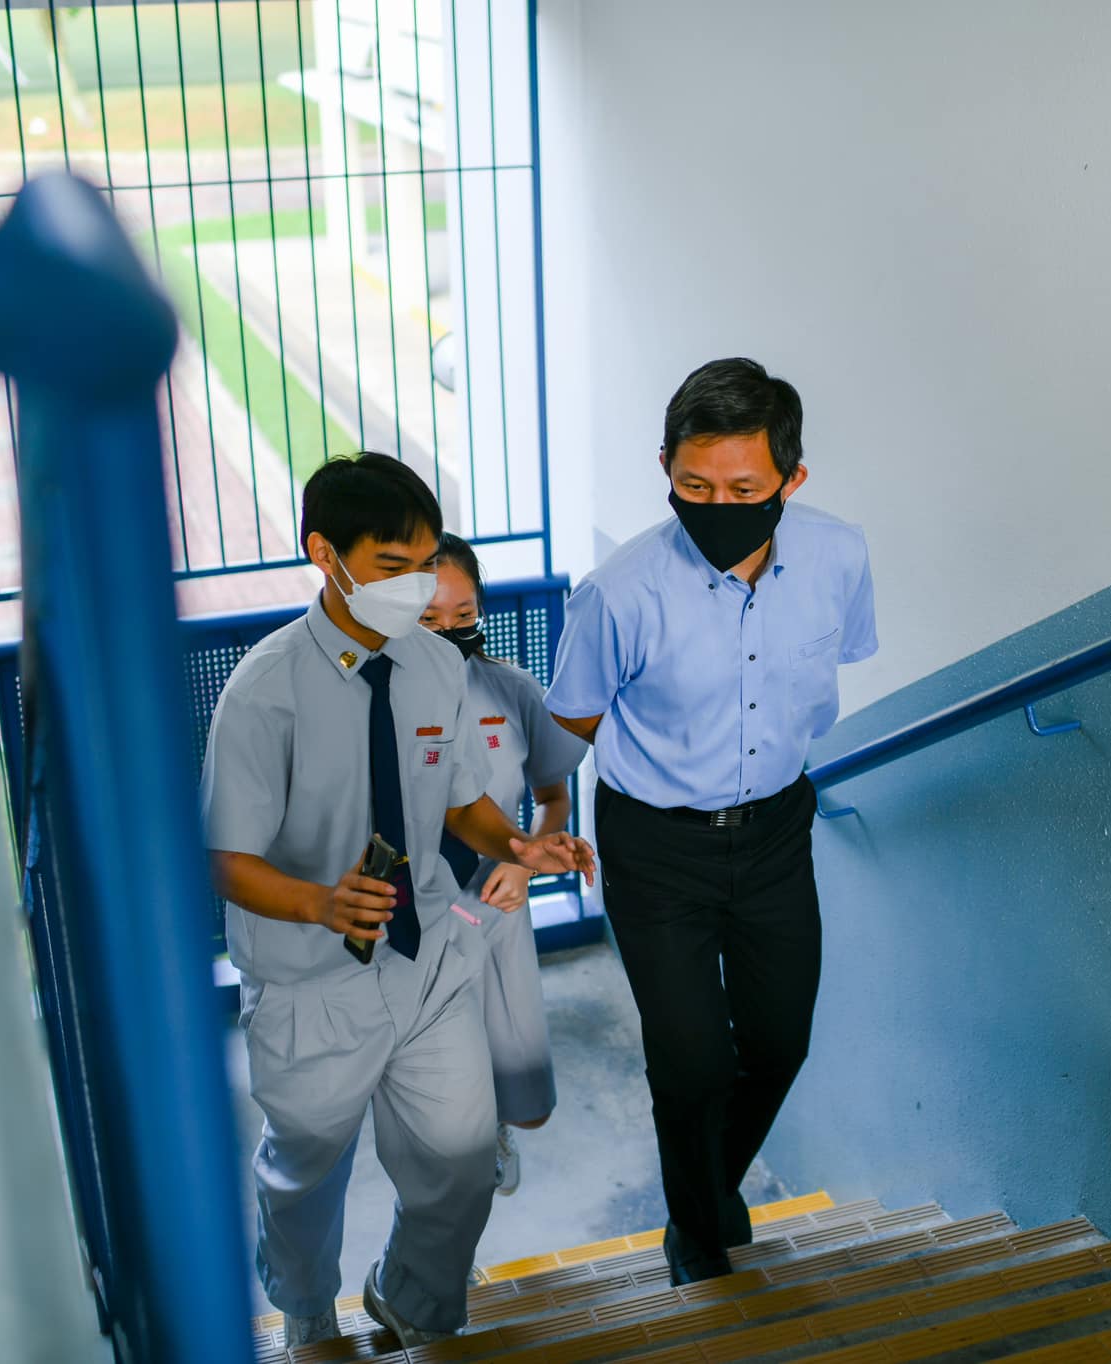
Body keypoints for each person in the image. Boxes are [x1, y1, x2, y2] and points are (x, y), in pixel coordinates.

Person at [201, 454, 595, 1350]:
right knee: (305, 1173)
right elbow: (227, 859)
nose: (414, 589)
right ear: (325, 555)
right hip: (313, 983)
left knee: (462, 1161)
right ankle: (306, 1318)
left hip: (426, 965)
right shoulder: (263, 695)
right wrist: (318, 904)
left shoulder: (433, 668)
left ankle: (408, 1298)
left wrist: (518, 843)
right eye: (391, 568)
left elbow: (458, 798)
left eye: (424, 564)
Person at [544, 357, 877, 1285]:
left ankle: (707, 1181)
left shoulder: (840, 556)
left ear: (791, 480)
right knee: (690, 1065)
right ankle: (697, 1231)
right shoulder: (618, 592)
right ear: (664, 467)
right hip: (656, 848)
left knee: (778, 1042)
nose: (715, 504)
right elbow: (567, 726)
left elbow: (833, 667)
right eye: (693, 485)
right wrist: (541, 822)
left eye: (742, 488)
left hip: (776, 833)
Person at [419, 532, 590, 1196]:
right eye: (429, 620)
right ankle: (436, 1247)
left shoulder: (511, 691)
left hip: (495, 907)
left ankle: (495, 1129)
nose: (448, 631)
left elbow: (554, 798)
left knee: (528, 1099)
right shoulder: (367, 702)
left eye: (463, 617)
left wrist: (521, 863)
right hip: (417, 920)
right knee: (434, 1098)